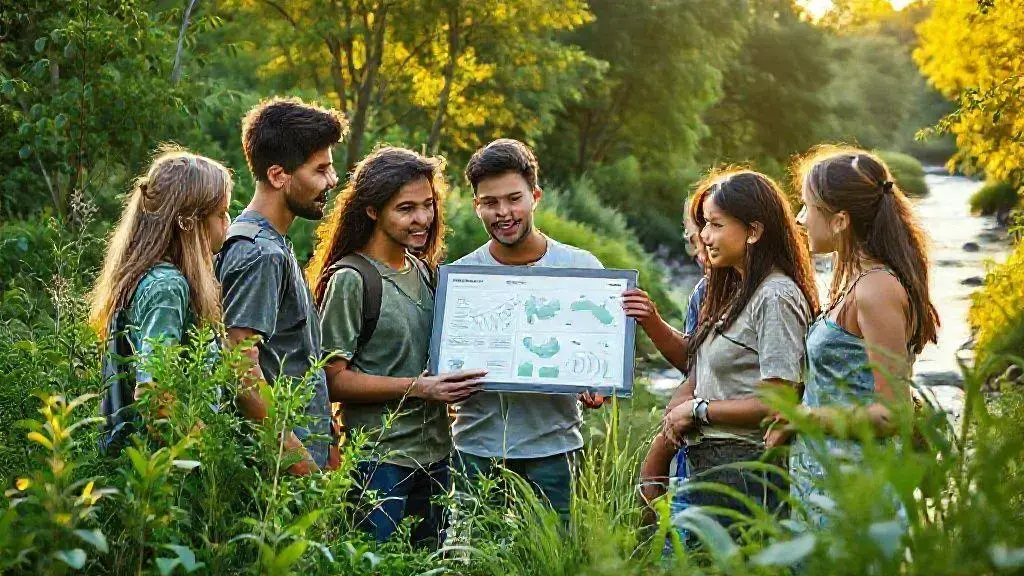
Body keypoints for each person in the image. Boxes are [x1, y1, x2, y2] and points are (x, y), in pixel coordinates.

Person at [306, 146, 485, 545]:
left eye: (427, 205)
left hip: (437, 457)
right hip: (377, 463)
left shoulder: (424, 270)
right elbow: (332, 381)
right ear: (373, 211)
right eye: (406, 208)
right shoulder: (352, 279)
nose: (422, 218)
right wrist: (419, 388)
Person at [767, 147, 939, 528]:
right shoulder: (855, 282)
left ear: (841, 220)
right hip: (827, 487)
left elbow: (891, 414)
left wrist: (803, 418)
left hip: (857, 495)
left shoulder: (876, 288)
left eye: (808, 207)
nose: (800, 218)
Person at [450, 138, 606, 519]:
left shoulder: (583, 268)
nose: (503, 212)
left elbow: (600, 357)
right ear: (476, 206)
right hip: (475, 451)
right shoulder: (459, 279)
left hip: (554, 450)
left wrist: (597, 382)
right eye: (490, 202)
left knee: (552, 557)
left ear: (535, 196)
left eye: (513, 198)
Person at [660, 169, 819, 528]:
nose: (703, 236)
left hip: (745, 471)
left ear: (753, 231)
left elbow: (776, 403)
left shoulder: (775, 296)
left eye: (715, 224)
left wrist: (698, 411)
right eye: (704, 225)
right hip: (714, 466)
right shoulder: (734, 290)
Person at [216, 96, 345, 474]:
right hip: (275, 478)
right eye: (320, 170)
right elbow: (241, 368)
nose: (332, 181)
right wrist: (303, 469)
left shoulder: (274, 245)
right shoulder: (260, 254)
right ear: (278, 176)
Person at [93, 146, 233, 454]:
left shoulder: (147, 277)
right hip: (164, 476)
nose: (228, 222)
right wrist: (209, 453)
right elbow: (154, 396)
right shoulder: (168, 286)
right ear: (187, 222)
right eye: (221, 214)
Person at [627, 195, 709, 517]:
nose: (699, 250)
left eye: (701, 236)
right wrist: (651, 320)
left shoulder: (769, 294)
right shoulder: (703, 291)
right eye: (692, 240)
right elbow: (693, 359)